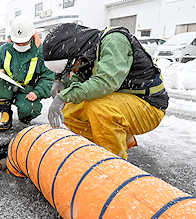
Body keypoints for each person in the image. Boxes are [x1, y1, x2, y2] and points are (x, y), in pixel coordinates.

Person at [43, 23, 169, 159]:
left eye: (71, 68)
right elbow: (82, 80)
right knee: (67, 111)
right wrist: (61, 84)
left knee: (99, 107)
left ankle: (113, 162)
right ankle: (113, 140)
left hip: (148, 106)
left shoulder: (114, 41)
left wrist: (64, 96)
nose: (72, 71)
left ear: (75, 54)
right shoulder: (88, 52)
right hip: (120, 101)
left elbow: (105, 82)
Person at [0, 15, 54, 131]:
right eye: (17, 42)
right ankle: (6, 113)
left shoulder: (41, 52)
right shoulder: (4, 49)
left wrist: (37, 92)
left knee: (30, 109)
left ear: (31, 37)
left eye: (23, 42)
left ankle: (25, 116)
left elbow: (49, 78)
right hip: (7, 86)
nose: (20, 45)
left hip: (28, 89)